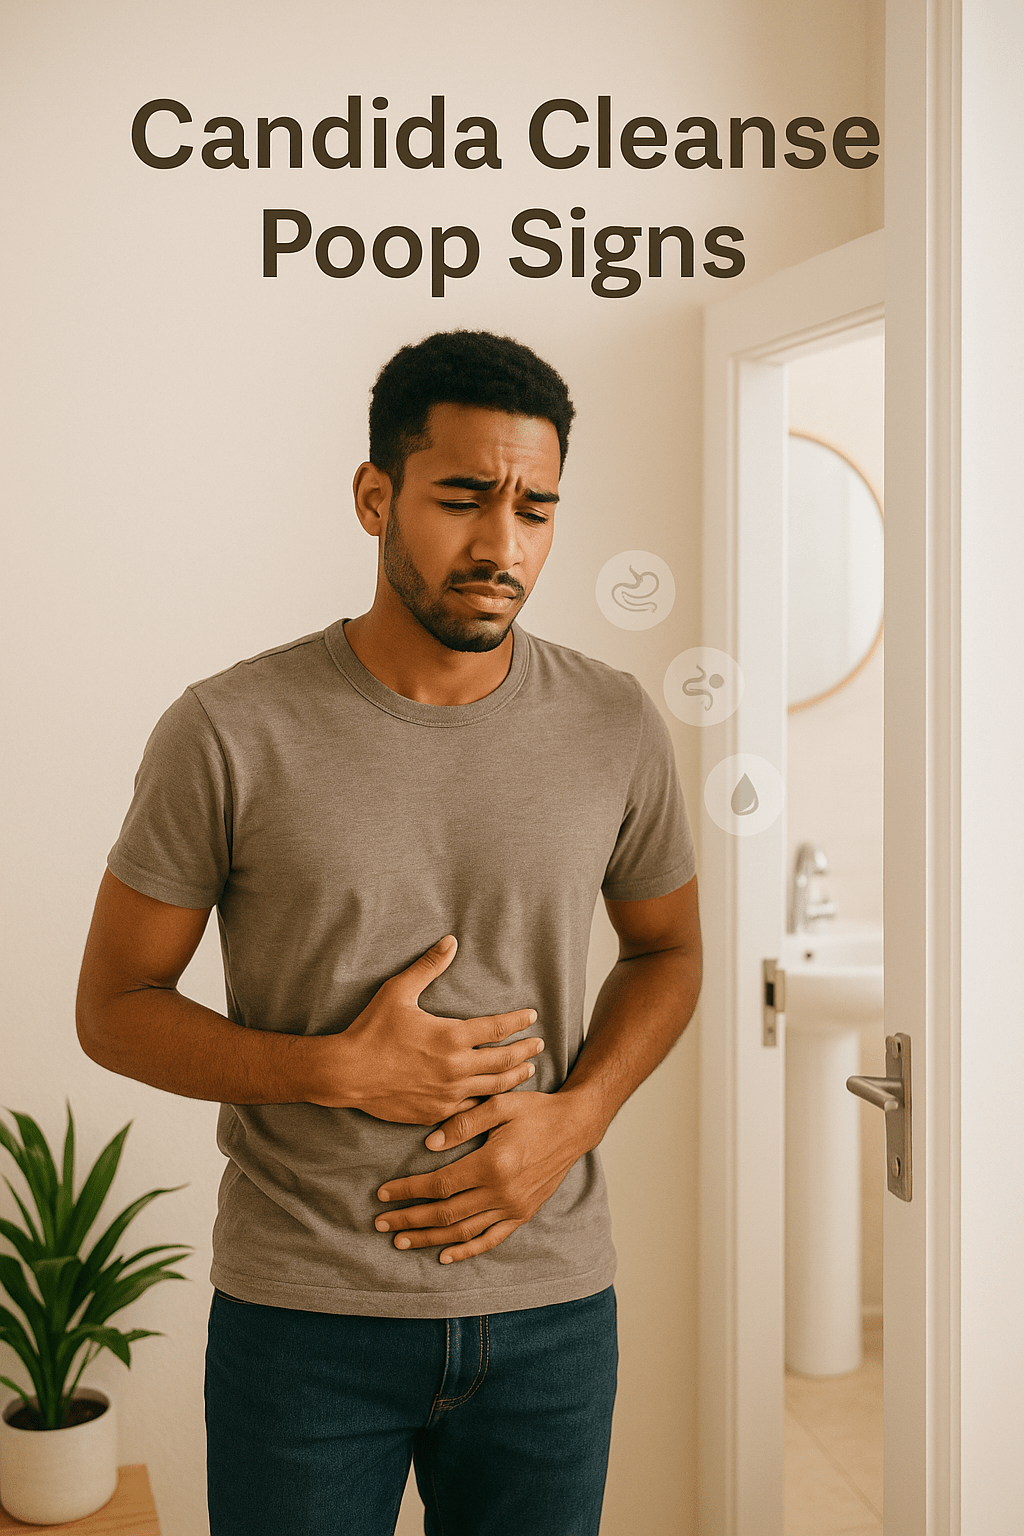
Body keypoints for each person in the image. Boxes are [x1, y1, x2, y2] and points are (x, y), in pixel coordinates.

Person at [76, 329, 702, 1536]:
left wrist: (577, 1120)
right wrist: (331, 1067)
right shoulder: (228, 730)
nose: (501, 544)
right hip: (305, 1323)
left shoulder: (615, 722)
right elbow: (113, 1009)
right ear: (376, 497)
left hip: (552, 1314)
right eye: (463, 497)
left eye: (535, 507)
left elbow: (668, 950)